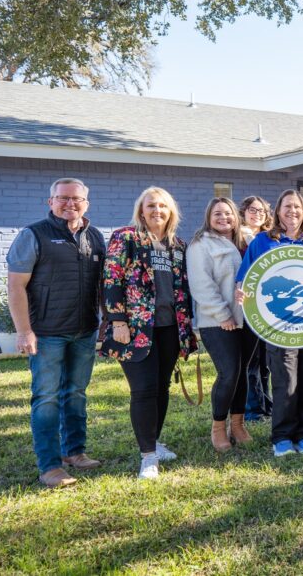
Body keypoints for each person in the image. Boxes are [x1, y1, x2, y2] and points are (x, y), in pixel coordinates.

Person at [6, 178, 106, 489]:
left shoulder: (96, 237)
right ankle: (49, 466)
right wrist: (24, 331)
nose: (69, 204)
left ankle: (74, 452)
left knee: (76, 393)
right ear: (50, 202)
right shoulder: (33, 234)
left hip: (84, 331)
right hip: (46, 333)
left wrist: (106, 322)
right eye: (62, 198)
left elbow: (102, 285)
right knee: (46, 398)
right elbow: (16, 286)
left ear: (86, 204)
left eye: (76, 199)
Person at [102, 186, 200, 480]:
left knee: (161, 388)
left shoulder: (177, 245)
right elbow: (111, 279)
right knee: (143, 390)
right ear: (141, 210)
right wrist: (118, 321)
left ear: (171, 212)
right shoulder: (126, 238)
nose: (157, 211)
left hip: (171, 327)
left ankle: (154, 443)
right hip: (135, 328)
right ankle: (147, 458)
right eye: (151, 206)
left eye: (163, 206)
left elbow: (182, 287)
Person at [237, 190, 303, 456]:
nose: (292, 211)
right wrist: (241, 290)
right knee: (285, 379)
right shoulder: (263, 241)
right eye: (286, 206)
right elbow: (245, 278)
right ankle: (281, 436)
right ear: (277, 211)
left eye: (297, 207)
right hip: (278, 325)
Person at [186, 197, 249, 453]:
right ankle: (218, 426)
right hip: (218, 321)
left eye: (228, 213)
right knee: (229, 372)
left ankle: (238, 424)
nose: (224, 218)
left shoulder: (246, 242)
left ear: (236, 216)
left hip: (248, 319)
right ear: (208, 218)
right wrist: (223, 315)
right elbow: (201, 285)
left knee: (242, 372)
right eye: (217, 214)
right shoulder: (201, 245)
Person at [238, 195, 273, 424]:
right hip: (246, 305)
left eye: (261, 210)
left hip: (267, 306)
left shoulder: (268, 238)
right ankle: (253, 409)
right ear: (244, 212)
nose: (257, 214)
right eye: (252, 210)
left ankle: (266, 403)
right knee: (251, 362)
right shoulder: (238, 237)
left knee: (264, 361)